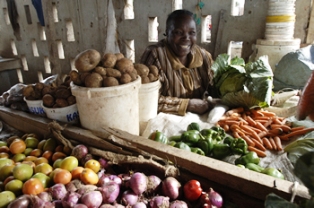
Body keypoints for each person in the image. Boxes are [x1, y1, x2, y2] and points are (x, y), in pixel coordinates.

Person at [140, 9, 217, 116]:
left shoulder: (204, 56)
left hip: (198, 121)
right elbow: (146, 100)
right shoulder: (155, 55)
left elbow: (214, 88)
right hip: (165, 122)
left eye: (192, 33)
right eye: (178, 32)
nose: (186, 38)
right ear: (167, 32)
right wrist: (187, 105)